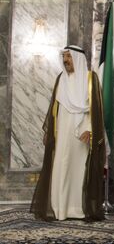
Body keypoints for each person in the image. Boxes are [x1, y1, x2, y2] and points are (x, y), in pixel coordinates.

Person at [31, 46, 106, 221]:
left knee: (78, 170)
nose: (66, 61)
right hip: (62, 133)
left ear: (78, 59)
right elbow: (54, 109)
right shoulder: (61, 79)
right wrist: (50, 131)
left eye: (69, 57)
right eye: (64, 57)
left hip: (81, 135)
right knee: (60, 167)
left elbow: (95, 108)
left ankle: (76, 209)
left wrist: (90, 129)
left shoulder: (90, 78)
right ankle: (59, 208)